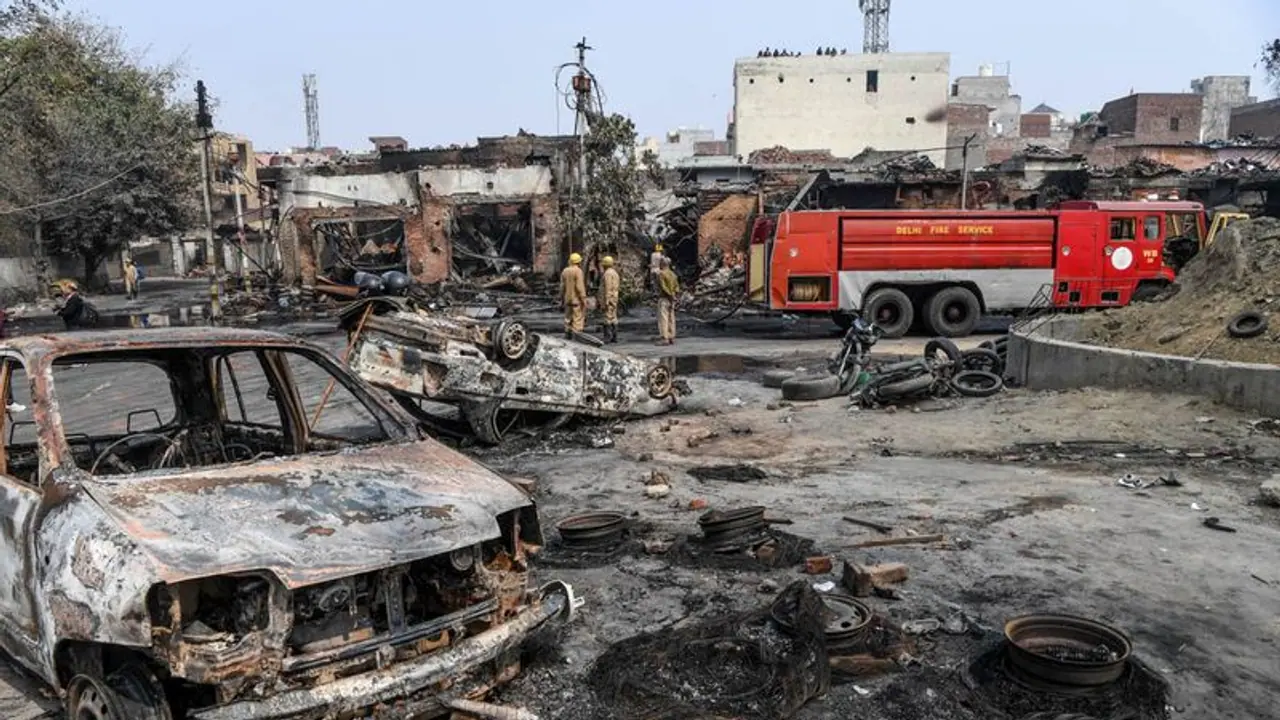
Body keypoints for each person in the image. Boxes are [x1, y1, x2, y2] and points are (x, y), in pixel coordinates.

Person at [560, 252, 586, 339]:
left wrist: (561, 298)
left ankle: (567, 335)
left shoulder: (565, 271)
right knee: (577, 319)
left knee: (568, 319)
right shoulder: (578, 271)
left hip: (567, 300)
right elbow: (580, 287)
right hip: (576, 300)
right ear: (578, 262)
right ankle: (577, 337)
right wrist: (583, 299)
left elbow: (562, 287)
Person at [656, 256, 680, 345]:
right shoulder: (673, 274)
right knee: (671, 318)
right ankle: (672, 336)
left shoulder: (661, 274)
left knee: (663, 318)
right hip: (672, 298)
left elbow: (663, 287)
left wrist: (669, 295)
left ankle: (664, 338)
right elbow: (677, 287)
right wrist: (675, 296)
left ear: (663, 264)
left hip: (664, 298)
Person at [599, 255, 620, 344]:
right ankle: (614, 337)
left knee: (607, 318)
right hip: (614, 297)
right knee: (614, 317)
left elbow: (607, 288)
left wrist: (606, 300)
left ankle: (607, 337)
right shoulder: (615, 273)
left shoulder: (607, 274)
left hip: (609, 298)